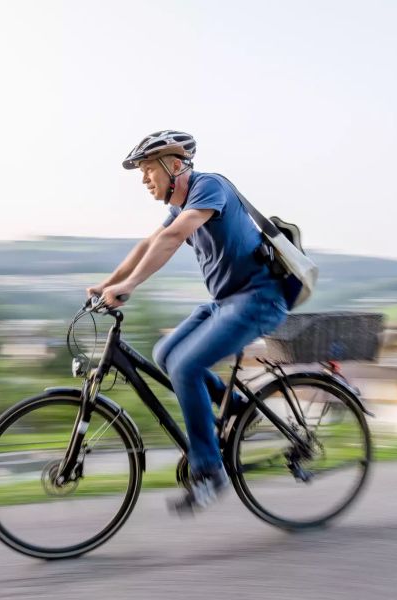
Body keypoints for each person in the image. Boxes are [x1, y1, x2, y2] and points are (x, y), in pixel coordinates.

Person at [86, 130, 289, 514]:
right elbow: (150, 243)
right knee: (164, 353)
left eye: (149, 171)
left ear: (175, 165)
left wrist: (130, 285)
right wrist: (108, 283)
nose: (145, 180)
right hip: (228, 301)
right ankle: (238, 408)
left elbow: (176, 236)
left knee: (186, 366)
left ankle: (209, 470)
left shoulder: (209, 186)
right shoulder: (180, 206)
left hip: (258, 299)